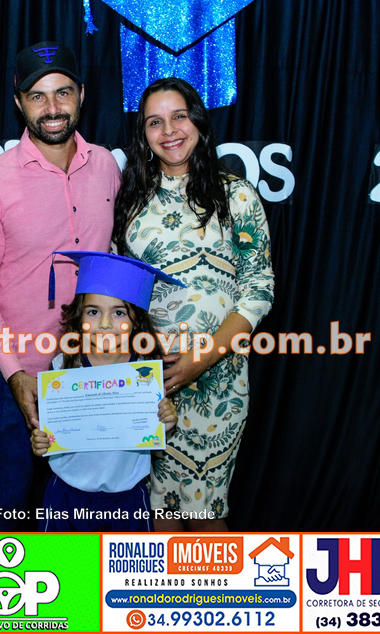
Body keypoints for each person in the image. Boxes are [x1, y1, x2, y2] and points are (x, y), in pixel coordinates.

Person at [0, 41, 121, 531]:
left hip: (88, 375)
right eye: (37, 96)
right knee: (5, 512)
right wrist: (14, 374)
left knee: (85, 511)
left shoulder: (106, 166)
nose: (52, 108)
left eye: (63, 92)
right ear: (19, 101)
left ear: (82, 94)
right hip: (16, 379)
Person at [112, 77, 274, 532]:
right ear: (142, 134)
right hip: (152, 383)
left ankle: (214, 583)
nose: (169, 131)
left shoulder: (236, 195)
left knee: (206, 512)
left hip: (218, 385)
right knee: (160, 509)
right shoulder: (131, 202)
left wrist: (203, 358)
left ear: (198, 122)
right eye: (154, 122)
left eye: (179, 117)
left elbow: (259, 288)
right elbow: (119, 295)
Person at [30, 251, 181, 531]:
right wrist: (41, 441)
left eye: (119, 312)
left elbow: (151, 429)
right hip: (66, 497)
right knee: (62, 561)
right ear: (79, 316)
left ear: (136, 320)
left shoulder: (147, 373)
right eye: (93, 311)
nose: (104, 324)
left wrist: (166, 420)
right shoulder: (61, 368)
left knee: (125, 563)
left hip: (128, 499)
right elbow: (49, 434)